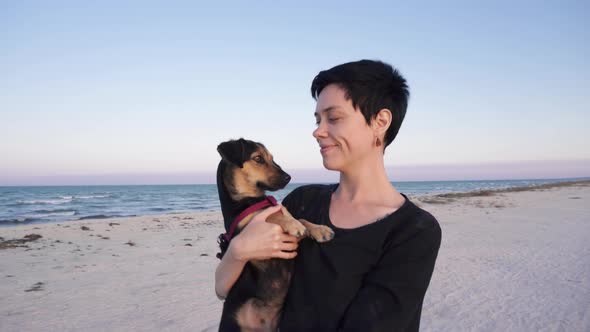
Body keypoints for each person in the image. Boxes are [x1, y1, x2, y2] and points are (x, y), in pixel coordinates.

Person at [215, 59, 442, 331]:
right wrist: (238, 251)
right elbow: (224, 288)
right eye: (317, 119)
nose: (318, 131)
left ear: (380, 121)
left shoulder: (413, 231)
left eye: (333, 118)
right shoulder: (301, 202)